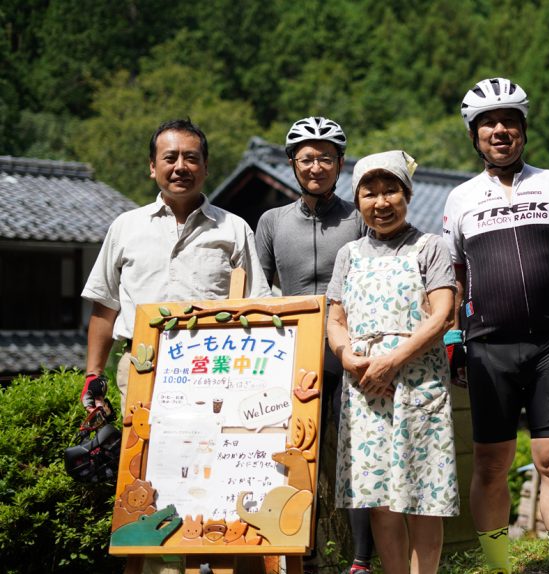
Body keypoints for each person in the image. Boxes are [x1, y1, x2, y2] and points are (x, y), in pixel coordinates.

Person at [80, 118, 270, 574]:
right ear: (152, 167)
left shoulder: (234, 229)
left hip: (217, 373)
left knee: (215, 468)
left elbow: (260, 308)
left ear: (205, 167)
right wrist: (93, 377)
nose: (180, 166)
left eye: (191, 158)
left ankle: (209, 561)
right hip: (140, 369)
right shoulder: (126, 227)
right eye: (170, 157)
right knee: (145, 473)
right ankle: (157, 567)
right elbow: (104, 309)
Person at [442, 77, 549, 574]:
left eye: (510, 121)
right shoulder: (460, 199)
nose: (500, 130)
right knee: (492, 464)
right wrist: (453, 337)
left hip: (548, 344)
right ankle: (498, 567)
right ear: (474, 135)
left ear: (523, 130)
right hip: (487, 348)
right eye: (489, 123)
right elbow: (454, 274)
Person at [326, 150, 459, 574]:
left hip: (419, 383)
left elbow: (441, 314)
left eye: (390, 191)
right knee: (380, 497)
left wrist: (392, 362)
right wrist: (349, 358)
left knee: (424, 495)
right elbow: (335, 317)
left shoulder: (429, 246)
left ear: (407, 194)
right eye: (370, 193)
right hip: (364, 386)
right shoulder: (348, 253)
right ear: (359, 200)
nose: (380, 202)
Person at [255, 116, 374, 574]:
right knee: (294, 460)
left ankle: (361, 560)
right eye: (307, 158)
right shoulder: (272, 221)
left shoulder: (359, 217)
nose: (317, 166)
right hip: (292, 361)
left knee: (356, 460)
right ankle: (298, 556)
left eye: (327, 157)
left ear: (341, 164)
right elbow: (259, 291)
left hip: (350, 357)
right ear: (291, 164)